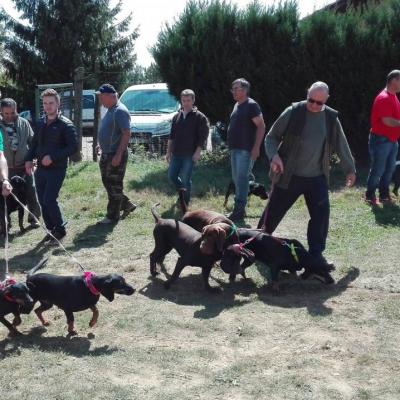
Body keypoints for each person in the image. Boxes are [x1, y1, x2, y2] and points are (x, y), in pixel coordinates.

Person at [259, 81, 356, 266]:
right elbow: (271, 138)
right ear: (307, 95)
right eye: (311, 100)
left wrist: (350, 169)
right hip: (289, 176)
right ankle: (257, 245)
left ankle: (316, 254)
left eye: (319, 103)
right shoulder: (293, 112)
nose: (314, 105)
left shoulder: (330, 118)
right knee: (272, 215)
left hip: (317, 177)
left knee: (321, 217)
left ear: (326, 100)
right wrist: (274, 157)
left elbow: (341, 145)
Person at [25, 88, 78, 243]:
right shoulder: (40, 122)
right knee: (41, 200)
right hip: (40, 169)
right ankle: (51, 229)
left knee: (49, 199)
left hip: (57, 169)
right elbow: (34, 144)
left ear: (58, 104)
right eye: (45, 103)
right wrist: (29, 159)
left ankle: (60, 231)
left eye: (51, 103)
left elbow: (73, 147)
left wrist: (53, 157)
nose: (48, 106)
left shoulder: (66, 124)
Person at [96, 83, 136, 224]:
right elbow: (110, 131)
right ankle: (126, 205)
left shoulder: (120, 111)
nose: (100, 100)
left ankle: (112, 216)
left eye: (102, 97)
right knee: (109, 183)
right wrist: (100, 145)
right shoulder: (110, 110)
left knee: (114, 185)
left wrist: (118, 155)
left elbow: (126, 133)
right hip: (107, 153)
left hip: (114, 154)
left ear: (110, 96)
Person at [226, 78, 265, 221]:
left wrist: (256, 148)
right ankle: (240, 207)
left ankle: (239, 211)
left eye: (236, 88)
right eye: (233, 89)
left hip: (246, 149)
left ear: (245, 90)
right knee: (237, 179)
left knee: (241, 179)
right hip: (235, 149)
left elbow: (261, 126)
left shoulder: (251, 105)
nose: (233, 91)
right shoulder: (237, 105)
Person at [0, 98, 41, 227]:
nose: (9, 116)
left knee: (32, 191)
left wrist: (34, 159)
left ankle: (34, 218)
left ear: (16, 110)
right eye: (6, 113)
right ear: (1, 111)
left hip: (24, 166)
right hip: (5, 168)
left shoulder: (24, 123)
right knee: (4, 196)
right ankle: (5, 222)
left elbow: (33, 143)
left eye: (12, 113)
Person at [166, 89, 209, 205]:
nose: (186, 103)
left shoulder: (200, 117)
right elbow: (172, 136)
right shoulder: (176, 117)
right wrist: (168, 152)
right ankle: (182, 193)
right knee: (171, 176)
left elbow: (203, 137)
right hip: (176, 153)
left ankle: (184, 202)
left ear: (193, 100)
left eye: (188, 100)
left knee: (185, 178)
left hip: (190, 154)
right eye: (183, 100)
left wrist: (198, 152)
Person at [365, 69, 400, 205]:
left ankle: (384, 195)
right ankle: (369, 195)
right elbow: (387, 121)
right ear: (393, 80)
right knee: (378, 169)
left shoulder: (393, 96)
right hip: (381, 140)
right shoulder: (384, 97)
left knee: (390, 168)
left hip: (391, 140)